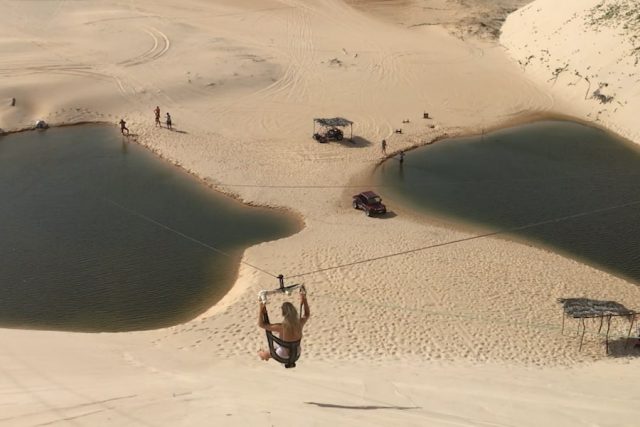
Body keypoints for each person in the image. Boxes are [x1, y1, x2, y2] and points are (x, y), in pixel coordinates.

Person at [258, 293, 310, 361]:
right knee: (277, 348)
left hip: (283, 355)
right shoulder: (299, 323)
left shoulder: (281, 327)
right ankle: (267, 355)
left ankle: (264, 355)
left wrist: (261, 309)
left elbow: (261, 324)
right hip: (296, 353)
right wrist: (304, 300)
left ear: (283, 313)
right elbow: (307, 314)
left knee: (261, 353)